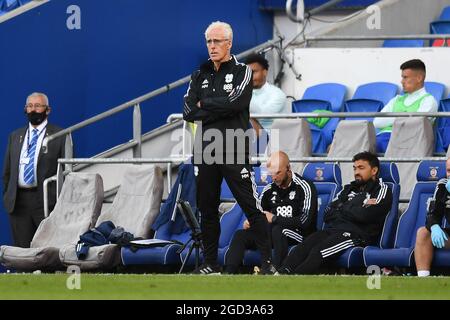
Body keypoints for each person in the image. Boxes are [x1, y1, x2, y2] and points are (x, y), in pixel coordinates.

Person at [183, 21, 272, 274]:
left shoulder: (243, 71)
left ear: (229, 43)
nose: (212, 46)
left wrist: (205, 105)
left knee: (250, 206)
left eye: (217, 41)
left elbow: (236, 103)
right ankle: (210, 264)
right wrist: (212, 106)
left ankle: (268, 262)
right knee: (207, 208)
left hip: (234, 145)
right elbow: (188, 111)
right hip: (205, 149)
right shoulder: (198, 74)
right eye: (209, 42)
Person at [277, 151, 392, 274]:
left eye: (361, 168)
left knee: (319, 251)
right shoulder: (348, 189)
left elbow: (366, 215)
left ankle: (295, 279)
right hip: (333, 230)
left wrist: (343, 207)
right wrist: (354, 207)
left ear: (374, 170)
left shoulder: (381, 189)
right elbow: (327, 213)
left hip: (355, 234)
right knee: (303, 247)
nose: (356, 172)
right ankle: (281, 274)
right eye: (354, 168)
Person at [225, 151, 318, 273]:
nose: (274, 178)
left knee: (278, 230)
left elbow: (305, 221)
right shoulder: (269, 189)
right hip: (272, 234)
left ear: (288, 168)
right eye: (272, 174)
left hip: (300, 235)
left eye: (278, 173)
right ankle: (228, 272)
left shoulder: (305, 187)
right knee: (241, 235)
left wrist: (274, 218)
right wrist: (252, 221)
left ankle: (274, 271)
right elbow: (259, 213)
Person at [2, 92, 66, 248]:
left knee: (48, 250)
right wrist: (7, 195)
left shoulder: (60, 135)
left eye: (38, 106)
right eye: (29, 106)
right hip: (18, 202)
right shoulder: (15, 136)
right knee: (22, 252)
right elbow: (7, 172)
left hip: (46, 201)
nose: (33, 110)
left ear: (48, 110)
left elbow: (67, 172)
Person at [373, 59, 438, 153]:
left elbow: (415, 125)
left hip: (405, 142)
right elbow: (377, 122)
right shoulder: (397, 99)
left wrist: (393, 117)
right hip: (383, 138)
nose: (401, 81)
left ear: (419, 78)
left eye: (405, 77)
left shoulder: (428, 101)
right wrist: (404, 116)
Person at [414, 157, 450, 277]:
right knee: (423, 232)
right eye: (449, 171)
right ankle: (423, 280)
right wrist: (434, 226)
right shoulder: (443, 184)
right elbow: (432, 213)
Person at [245, 53, 287, 137]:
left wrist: (241, 99)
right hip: (248, 139)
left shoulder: (277, 94)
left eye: (253, 72)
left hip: (273, 141)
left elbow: (262, 115)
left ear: (264, 72)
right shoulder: (244, 92)